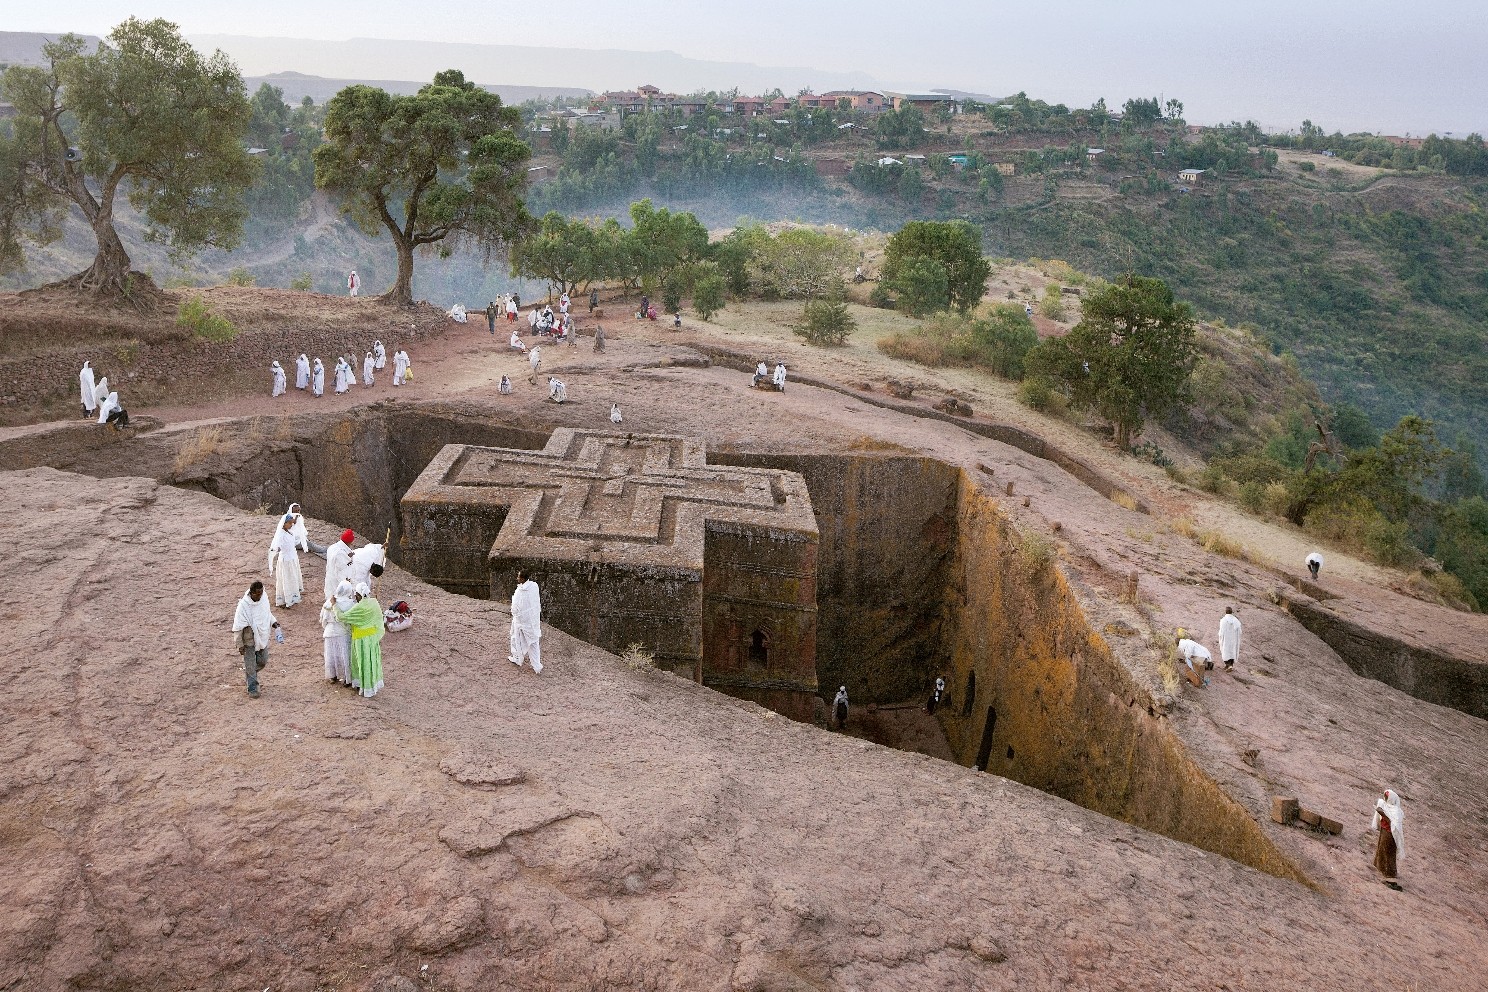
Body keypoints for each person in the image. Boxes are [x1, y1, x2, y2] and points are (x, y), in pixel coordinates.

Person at [336, 582, 385, 697]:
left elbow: (342, 617)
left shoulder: (359, 607)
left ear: (359, 595)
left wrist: (334, 606)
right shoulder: (374, 603)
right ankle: (372, 686)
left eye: (356, 595)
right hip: (372, 638)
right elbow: (379, 619)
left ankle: (363, 686)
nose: (354, 597)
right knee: (372, 661)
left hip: (360, 639)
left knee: (362, 663)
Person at [232, 580, 280, 699]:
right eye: (257, 594)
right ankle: (252, 688)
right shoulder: (243, 605)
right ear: (251, 593)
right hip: (249, 639)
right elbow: (238, 627)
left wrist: (274, 623)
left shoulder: (264, 599)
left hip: (261, 637)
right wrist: (239, 645)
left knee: (263, 660)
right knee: (250, 663)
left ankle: (250, 674)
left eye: (261, 593)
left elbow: (267, 614)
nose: (259, 596)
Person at [321, 578, 356, 685]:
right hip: (343, 633)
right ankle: (346, 679)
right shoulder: (350, 604)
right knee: (344, 656)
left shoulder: (329, 602)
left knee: (331, 654)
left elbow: (323, 618)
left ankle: (332, 676)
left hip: (329, 632)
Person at [509, 570, 543, 674]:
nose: (517, 579)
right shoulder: (534, 586)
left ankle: (518, 658)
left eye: (518, 577)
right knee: (533, 643)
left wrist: (516, 614)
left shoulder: (520, 591)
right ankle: (536, 665)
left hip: (521, 621)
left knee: (516, 639)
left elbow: (515, 607)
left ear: (523, 579)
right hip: (532, 621)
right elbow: (535, 603)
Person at [267, 516, 304, 608]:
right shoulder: (281, 535)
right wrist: (274, 550)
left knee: (293, 577)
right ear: (284, 523)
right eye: (290, 523)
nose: (291, 524)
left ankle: (294, 595)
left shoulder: (290, 532)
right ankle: (287, 598)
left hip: (292, 558)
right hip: (286, 560)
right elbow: (277, 547)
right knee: (286, 579)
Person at [1372, 789, 1404, 882]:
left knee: (1388, 852)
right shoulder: (1385, 806)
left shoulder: (1396, 811)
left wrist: (1384, 815)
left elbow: (1394, 824)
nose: (1385, 799)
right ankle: (1379, 866)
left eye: (1387, 797)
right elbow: (1377, 804)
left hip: (1390, 835)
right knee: (1381, 849)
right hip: (1384, 831)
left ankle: (1389, 872)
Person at [324, 529, 356, 601]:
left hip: (331, 575)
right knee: (338, 600)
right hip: (337, 580)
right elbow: (341, 570)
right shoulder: (340, 553)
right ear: (350, 541)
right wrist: (347, 581)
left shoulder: (332, 547)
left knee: (330, 596)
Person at [1218, 608, 1242, 672]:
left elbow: (1221, 631)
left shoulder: (1223, 620)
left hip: (1226, 639)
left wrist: (1220, 637)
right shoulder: (1236, 620)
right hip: (1233, 640)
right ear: (1231, 612)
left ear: (1226, 612)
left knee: (1225, 651)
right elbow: (1239, 631)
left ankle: (1228, 665)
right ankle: (1230, 665)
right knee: (1232, 652)